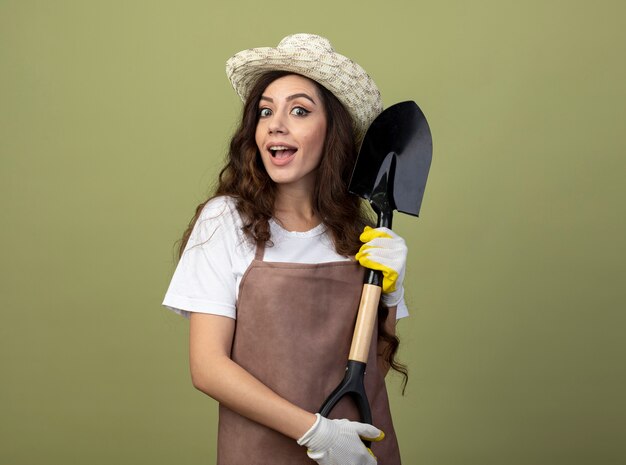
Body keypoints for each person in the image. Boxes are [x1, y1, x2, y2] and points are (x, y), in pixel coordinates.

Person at [163, 33, 410, 465]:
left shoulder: (361, 234)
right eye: (265, 111)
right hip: (264, 453)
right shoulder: (227, 220)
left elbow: (373, 371)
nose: (276, 124)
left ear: (332, 129)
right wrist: (316, 431)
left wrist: (389, 292)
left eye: (299, 110)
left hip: (357, 452)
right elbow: (207, 367)